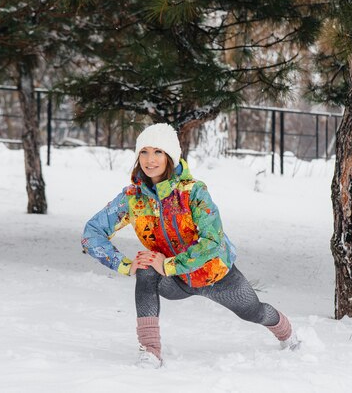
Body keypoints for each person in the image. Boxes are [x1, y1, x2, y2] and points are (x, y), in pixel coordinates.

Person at [81, 123, 299, 368]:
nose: (150, 160)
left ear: (171, 157)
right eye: (144, 152)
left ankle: (286, 331)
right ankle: (150, 351)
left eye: (158, 152)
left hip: (214, 275)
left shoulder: (193, 192)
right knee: (144, 266)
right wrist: (125, 265)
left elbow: (212, 241)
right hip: (174, 281)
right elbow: (92, 233)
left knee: (253, 312)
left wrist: (171, 264)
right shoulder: (132, 198)